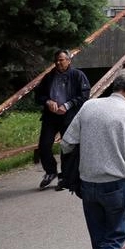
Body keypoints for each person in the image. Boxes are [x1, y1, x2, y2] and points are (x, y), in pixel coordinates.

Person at [60, 67, 125, 249]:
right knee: (113, 241)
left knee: (99, 241)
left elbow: (66, 143)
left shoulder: (89, 106)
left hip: (88, 184)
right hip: (116, 186)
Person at [34, 49, 91, 190]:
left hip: (69, 116)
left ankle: (65, 176)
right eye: (56, 60)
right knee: (44, 145)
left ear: (69, 60)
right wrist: (48, 101)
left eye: (61, 60)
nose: (58, 63)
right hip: (50, 116)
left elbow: (84, 95)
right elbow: (38, 96)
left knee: (67, 146)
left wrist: (67, 105)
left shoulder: (77, 75)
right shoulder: (49, 77)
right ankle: (50, 171)